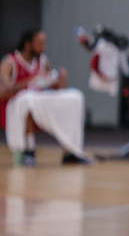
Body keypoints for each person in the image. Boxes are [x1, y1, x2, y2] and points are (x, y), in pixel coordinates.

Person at [0, 29, 90, 165]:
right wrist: (29, 81)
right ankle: (28, 150)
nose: (44, 47)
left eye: (45, 43)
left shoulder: (43, 61)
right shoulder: (9, 62)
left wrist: (59, 78)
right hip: (12, 109)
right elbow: (2, 92)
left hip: (36, 105)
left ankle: (71, 151)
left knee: (75, 97)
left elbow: (58, 91)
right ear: (28, 44)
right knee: (27, 98)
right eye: (40, 43)